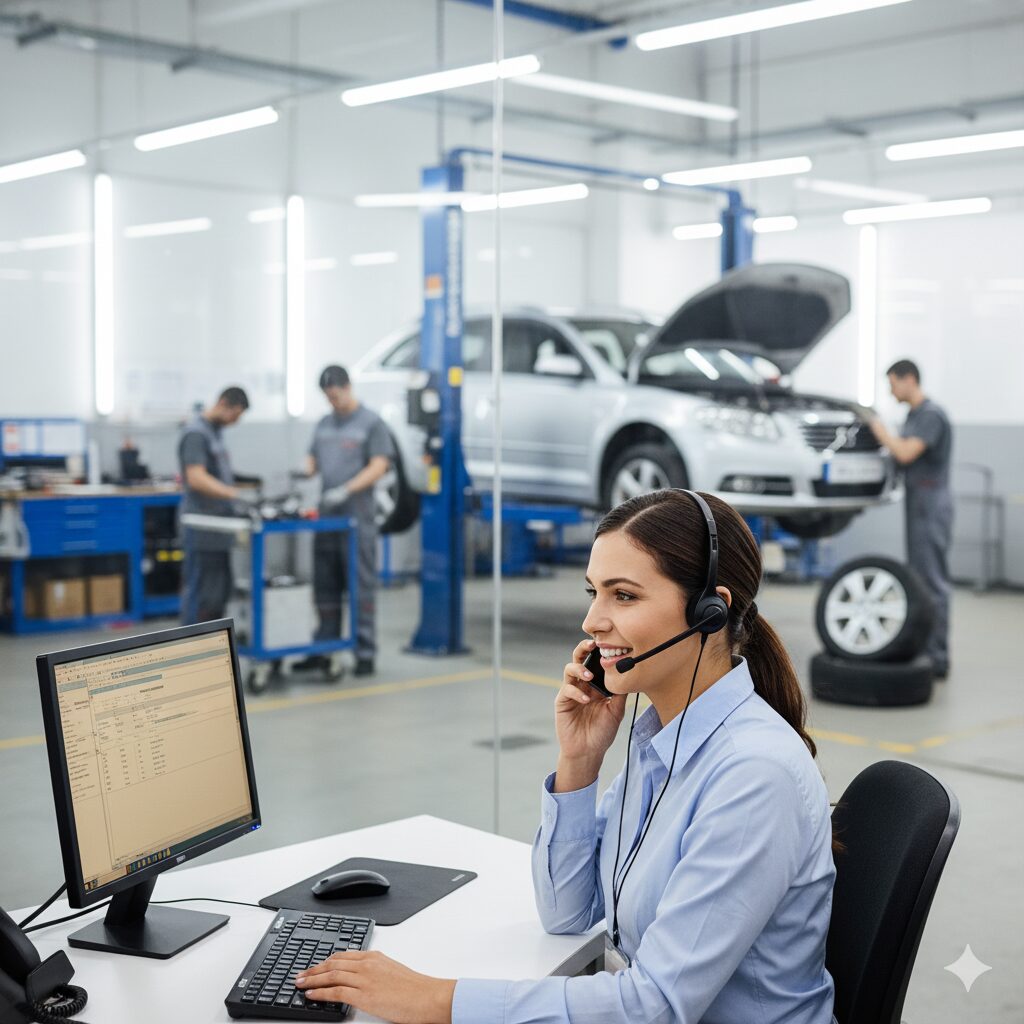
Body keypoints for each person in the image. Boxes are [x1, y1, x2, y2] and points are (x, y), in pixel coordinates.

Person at [293, 489, 837, 1024]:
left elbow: (657, 1007)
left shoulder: (753, 774)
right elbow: (568, 912)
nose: (592, 621)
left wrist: (436, 1000)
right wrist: (580, 762)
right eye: (593, 592)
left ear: (708, 612)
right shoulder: (657, 742)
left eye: (623, 595)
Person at [303, 365, 393, 676]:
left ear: (349, 387)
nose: (333, 403)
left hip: (356, 523)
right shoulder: (324, 424)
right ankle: (324, 648)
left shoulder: (371, 423)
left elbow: (379, 465)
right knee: (324, 587)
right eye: (328, 398)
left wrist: (347, 489)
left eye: (337, 396)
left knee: (360, 588)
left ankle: (364, 652)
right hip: (326, 520)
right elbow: (311, 461)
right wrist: (304, 477)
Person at [868, 359, 954, 678]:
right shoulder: (916, 415)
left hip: (931, 505)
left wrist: (880, 431)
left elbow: (905, 453)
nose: (891, 393)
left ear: (909, 380)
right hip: (920, 504)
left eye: (892, 384)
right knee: (921, 578)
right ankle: (928, 649)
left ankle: (937, 657)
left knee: (932, 582)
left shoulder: (931, 415)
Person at [178, 386, 252, 624]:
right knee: (201, 595)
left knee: (217, 594)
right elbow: (196, 477)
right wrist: (234, 494)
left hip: (218, 527)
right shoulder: (196, 434)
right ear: (223, 404)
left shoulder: (215, 432)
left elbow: (217, 473)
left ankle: (212, 650)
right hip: (202, 527)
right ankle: (189, 652)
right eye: (235, 415)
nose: (235, 422)